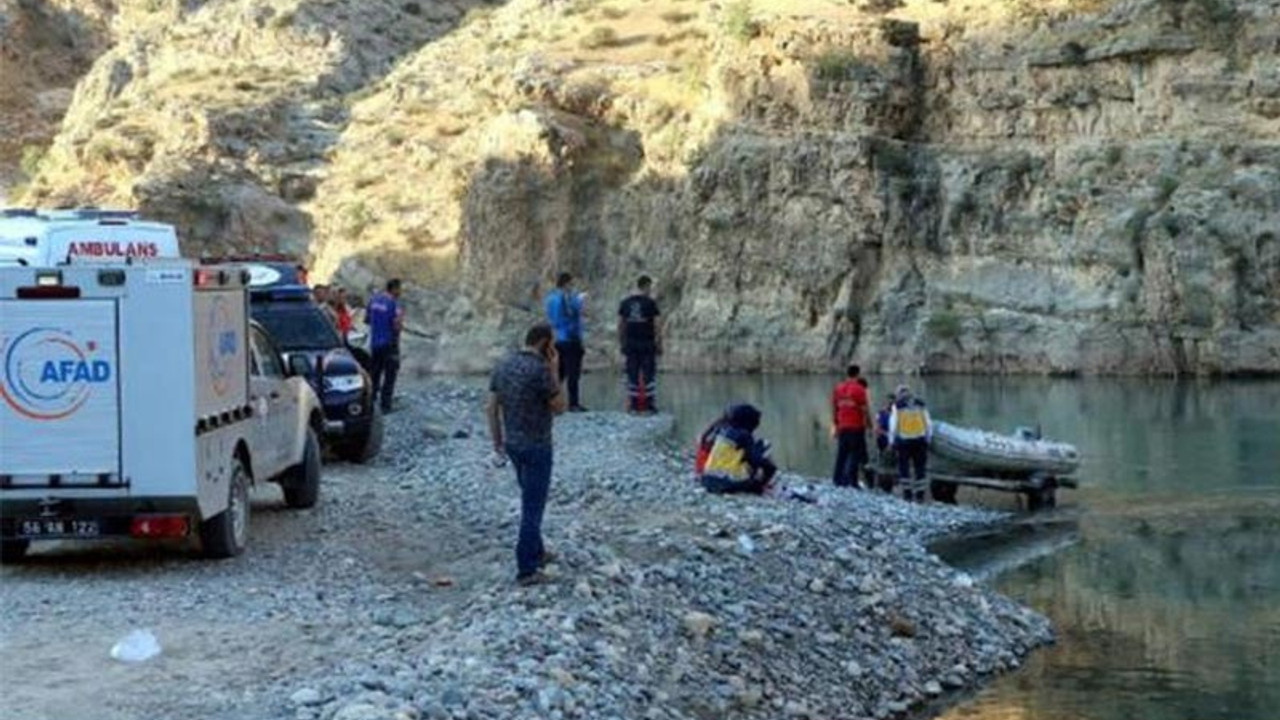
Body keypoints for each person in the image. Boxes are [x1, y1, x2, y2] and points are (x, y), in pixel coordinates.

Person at [486, 323, 568, 586]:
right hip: (538, 446)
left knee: (529, 497)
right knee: (533, 507)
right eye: (553, 344)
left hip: (513, 444)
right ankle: (526, 568)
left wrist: (498, 441)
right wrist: (555, 371)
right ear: (545, 343)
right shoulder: (540, 370)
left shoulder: (503, 365)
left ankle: (538, 550)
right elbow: (560, 407)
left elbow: (491, 408)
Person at [699, 404, 778, 495]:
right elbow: (753, 459)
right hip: (727, 482)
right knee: (764, 450)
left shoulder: (723, 431)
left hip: (707, 479)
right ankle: (759, 487)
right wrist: (769, 466)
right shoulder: (744, 435)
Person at [544, 272, 588, 412]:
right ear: (566, 283)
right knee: (573, 373)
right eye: (571, 284)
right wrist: (580, 302)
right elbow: (570, 313)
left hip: (557, 338)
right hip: (570, 338)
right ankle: (573, 403)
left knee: (560, 372)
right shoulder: (566, 297)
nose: (572, 287)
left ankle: (551, 399)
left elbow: (551, 318)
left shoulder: (549, 298)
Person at [618, 275, 662, 414]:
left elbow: (621, 325)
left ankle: (633, 405)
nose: (650, 290)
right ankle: (649, 406)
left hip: (630, 343)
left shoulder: (625, 303)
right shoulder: (650, 303)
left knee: (632, 373)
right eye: (650, 287)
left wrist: (622, 341)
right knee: (648, 373)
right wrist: (659, 342)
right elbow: (657, 325)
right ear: (646, 286)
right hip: (647, 343)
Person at [365, 278, 404, 414]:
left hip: (375, 344)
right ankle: (385, 405)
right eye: (400, 289)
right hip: (389, 344)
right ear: (394, 289)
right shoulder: (394, 303)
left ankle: (370, 403)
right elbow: (397, 325)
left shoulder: (374, 300)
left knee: (374, 374)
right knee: (390, 375)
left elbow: (367, 320)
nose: (401, 292)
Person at [830, 364, 872, 489]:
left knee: (841, 453)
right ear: (857, 374)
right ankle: (852, 481)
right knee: (855, 454)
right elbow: (865, 410)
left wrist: (835, 424)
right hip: (856, 426)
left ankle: (837, 479)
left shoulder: (838, 388)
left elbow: (834, 408)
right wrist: (869, 425)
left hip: (842, 425)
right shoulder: (859, 389)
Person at [889, 385, 933, 503]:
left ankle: (907, 494)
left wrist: (891, 441)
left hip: (904, 441)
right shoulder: (920, 404)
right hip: (920, 439)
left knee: (904, 468)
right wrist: (928, 438)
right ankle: (920, 495)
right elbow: (928, 422)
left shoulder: (897, 406)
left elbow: (893, 425)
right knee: (920, 468)